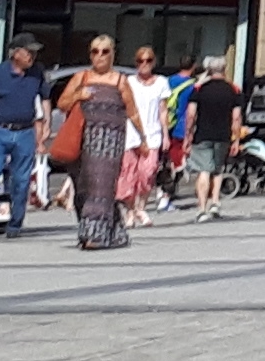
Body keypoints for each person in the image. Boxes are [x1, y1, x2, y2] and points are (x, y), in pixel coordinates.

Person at [54, 34, 139, 252]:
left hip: (110, 144)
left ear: (113, 54)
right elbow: (62, 104)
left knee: (100, 186)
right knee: (83, 189)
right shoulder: (81, 78)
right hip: (81, 142)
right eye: (94, 51)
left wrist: (144, 139)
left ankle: (94, 236)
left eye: (104, 51)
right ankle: (111, 231)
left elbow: (133, 112)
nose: (99, 56)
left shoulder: (120, 81)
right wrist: (78, 96)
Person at [0, 42, 45, 237]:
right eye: (28, 52)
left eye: (34, 52)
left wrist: (44, 127)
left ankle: (15, 223)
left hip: (25, 131)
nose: (32, 56)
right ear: (16, 53)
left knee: (21, 181)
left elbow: (45, 99)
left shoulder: (37, 73)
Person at [180, 57, 241, 222]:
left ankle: (202, 209)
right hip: (223, 135)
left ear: (209, 70)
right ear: (224, 69)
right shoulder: (233, 90)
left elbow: (191, 114)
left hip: (202, 135)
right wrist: (236, 140)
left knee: (204, 171)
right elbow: (236, 118)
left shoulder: (199, 89)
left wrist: (188, 135)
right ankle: (215, 202)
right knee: (218, 169)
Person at [117, 46, 170, 229]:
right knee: (128, 175)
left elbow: (163, 110)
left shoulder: (161, 82)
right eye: (140, 61)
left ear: (153, 62)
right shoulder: (129, 81)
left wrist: (166, 135)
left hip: (152, 133)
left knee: (148, 173)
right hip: (131, 134)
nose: (144, 64)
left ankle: (141, 207)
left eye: (148, 60)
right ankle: (131, 212)